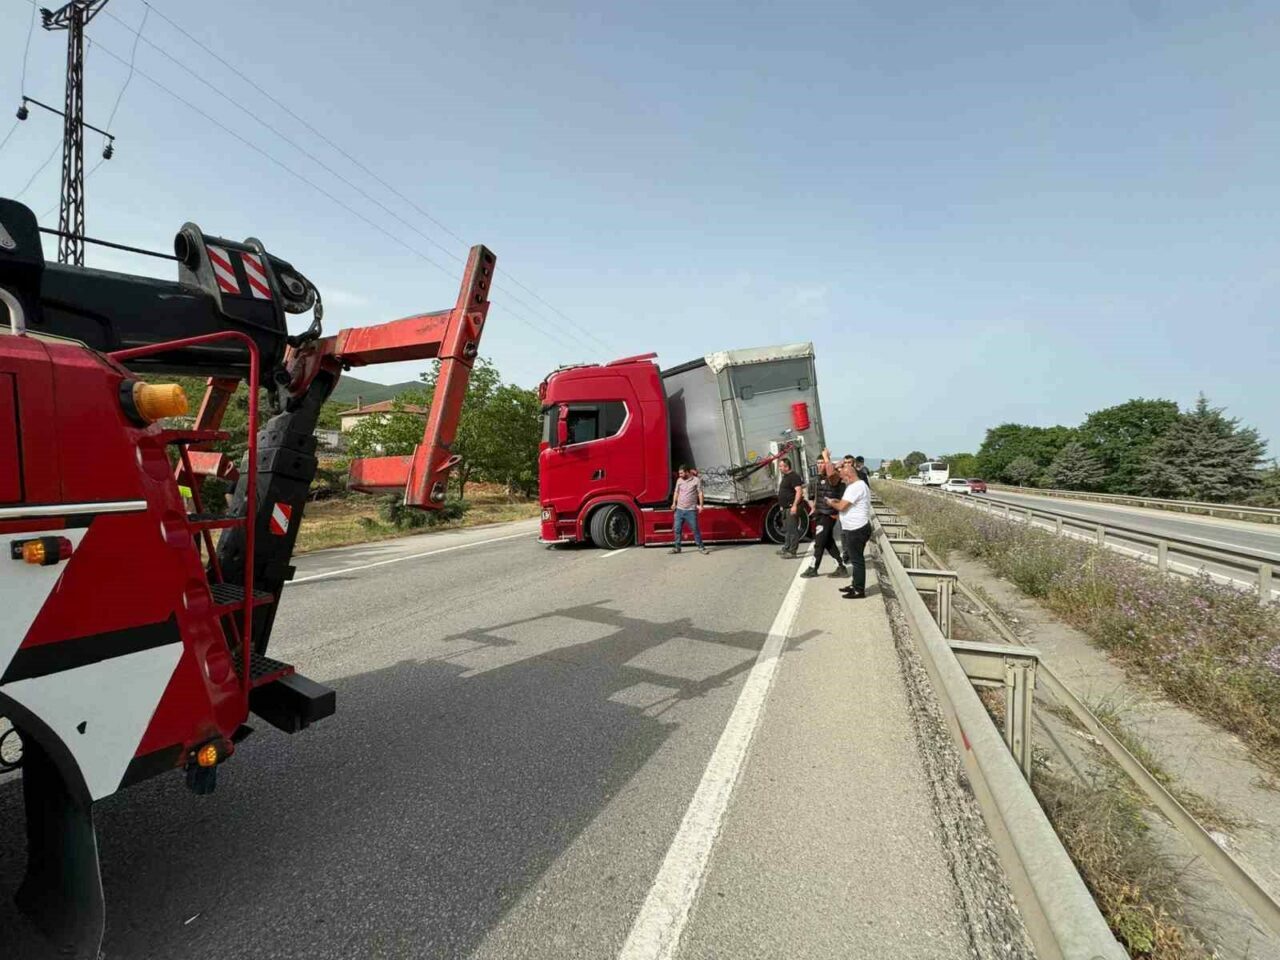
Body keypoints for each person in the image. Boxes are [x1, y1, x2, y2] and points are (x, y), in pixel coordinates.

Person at [827, 461, 872, 599]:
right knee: (854, 558)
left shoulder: (855, 487)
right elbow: (846, 503)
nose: (842, 480)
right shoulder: (859, 485)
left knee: (857, 561)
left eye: (843, 478)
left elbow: (841, 507)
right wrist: (837, 501)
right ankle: (855, 584)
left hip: (856, 529)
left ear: (849, 476)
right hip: (856, 528)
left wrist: (831, 502)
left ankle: (859, 590)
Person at [801, 450, 847, 579]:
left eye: (822, 463)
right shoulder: (819, 478)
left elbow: (831, 474)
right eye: (818, 463)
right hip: (821, 514)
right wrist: (814, 508)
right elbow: (815, 496)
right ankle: (841, 567)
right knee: (828, 542)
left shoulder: (834, 476)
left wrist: (827, 458)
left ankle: (813, 568)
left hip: (829, 515)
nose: (820, 465)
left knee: (819, 543)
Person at [669, 464, 708, 554]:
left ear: (687, 472)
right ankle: (677, 548)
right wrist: (674, 503)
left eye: (681, 473)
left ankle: (701, 547)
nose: (680, 475)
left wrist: (701, 505)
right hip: (679, 510)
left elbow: (700, 493)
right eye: (679, 473)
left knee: (695, 529)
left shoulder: (696, 480)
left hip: (691, 510)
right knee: (677, 529)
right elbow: (676, 492)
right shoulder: (679, 480)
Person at [775, 457, 805, 558]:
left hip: (792, 507)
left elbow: (799, 491)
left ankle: (792, 551)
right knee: (787, 529)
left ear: (787, 467)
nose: (779, 468)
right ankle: (786, 548)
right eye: (779, 466)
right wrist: (782, 506)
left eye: (781, 466)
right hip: (785, 508)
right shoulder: (786, 477)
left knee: (792, 530)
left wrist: (795, 505)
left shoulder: (794, 476)